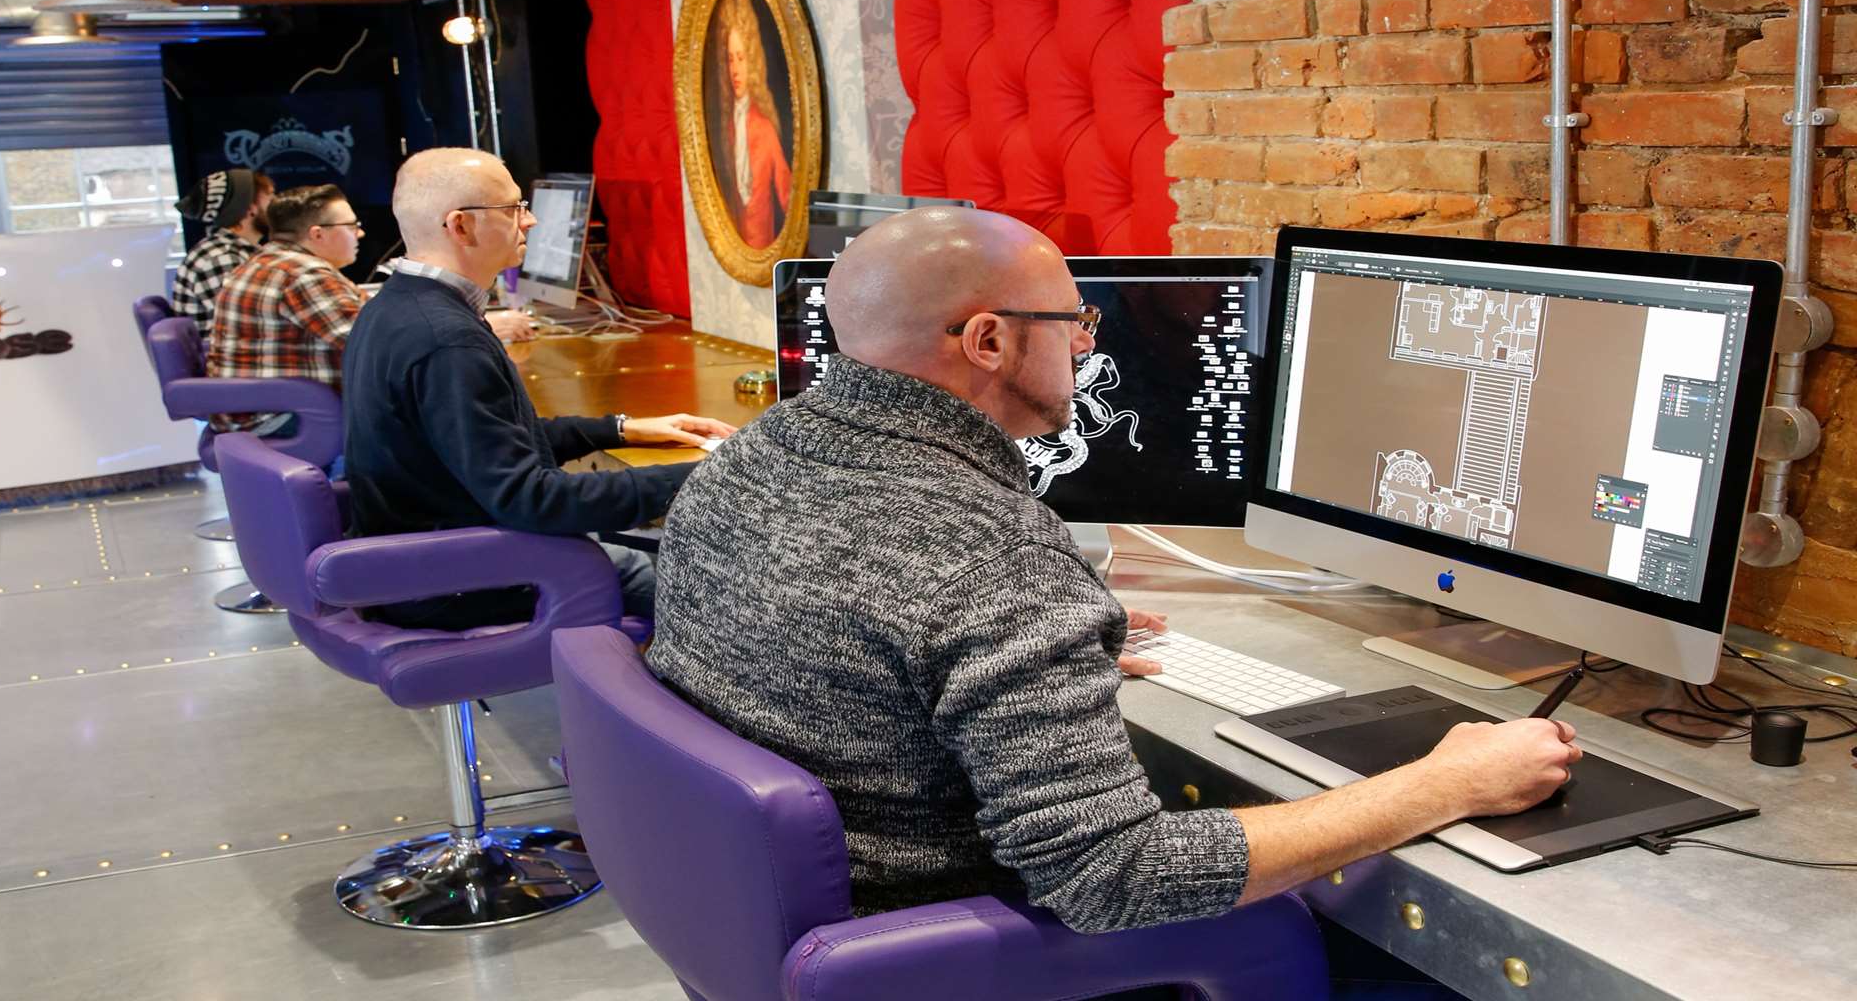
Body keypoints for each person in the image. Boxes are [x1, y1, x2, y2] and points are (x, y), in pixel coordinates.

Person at [648, 207, 1581, 933]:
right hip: (941, 943)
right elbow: (1111, 879)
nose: (1090, 343)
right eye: (1074, 320)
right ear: (988, 341)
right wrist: (1448, 783)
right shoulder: (994, 555)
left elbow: (860, 638)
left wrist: (1027, 667)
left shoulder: (755, 453)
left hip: (770, 910)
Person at [340, 147, 736, 629]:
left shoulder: (397, 307)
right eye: (513, 209)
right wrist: (711, 475)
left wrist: (625, 430)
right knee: (704, 583)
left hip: (422, 560)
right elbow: (532, 501)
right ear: (461, 226)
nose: (529, 222)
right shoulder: (447, 340)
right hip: (454, 581)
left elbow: (492, 444)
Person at [207, 184, 365, 439]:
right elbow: (375, 344)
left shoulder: (273, 260)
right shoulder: (303, 274)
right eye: (351, 226)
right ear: (318, 234)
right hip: (279, 417)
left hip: (253, 412)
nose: (360, 234)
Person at [711, 0, 791, 249]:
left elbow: (787, 195)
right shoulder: (729, 128)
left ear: (753, 61)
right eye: (730, 59)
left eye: (741, 58)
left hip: (766, 253)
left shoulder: (764, 127)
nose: (735, 69)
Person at [171, 168, 274, 333]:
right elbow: (253, 325)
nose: (276, 205)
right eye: (270, 197)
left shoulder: (231, 250)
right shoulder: (222, 259)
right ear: (250, 208)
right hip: (231, 357)